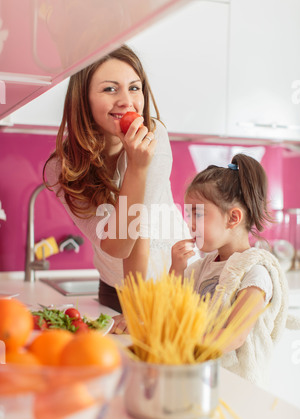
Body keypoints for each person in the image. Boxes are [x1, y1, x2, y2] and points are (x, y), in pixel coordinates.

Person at [44, 45, 188, 333]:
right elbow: (119, 244)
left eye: (135, 88)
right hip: (116, 289)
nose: (127, 102)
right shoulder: (63, 169)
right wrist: (137, 168)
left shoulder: (153, 137)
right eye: (110, 89)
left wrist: (138, 165)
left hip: (175, 282)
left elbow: (139, 235)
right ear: (82, 100)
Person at [170, 153, 290, 387]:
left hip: (236, 384)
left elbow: (234, 335)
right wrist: (176, 268)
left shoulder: (255, 273)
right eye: (188, 214)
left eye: (198, 213)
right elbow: (172, 307)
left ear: (233, 218)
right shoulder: (203, 266)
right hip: (202, 375)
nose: (190, 223)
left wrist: (182, 351)